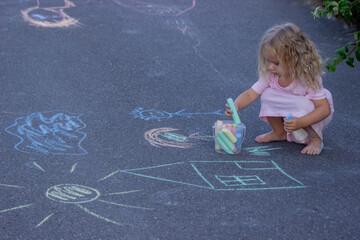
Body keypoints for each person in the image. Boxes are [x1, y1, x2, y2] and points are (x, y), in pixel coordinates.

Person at [225, 23, 334, 155]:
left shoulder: (308, 77)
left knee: (303, 104)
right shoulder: (271, 74)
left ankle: (316, 138)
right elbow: (250, 94)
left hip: (310, 113)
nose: (270, 67)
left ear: (294, 60)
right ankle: (279, 132)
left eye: (276, 63)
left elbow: (324, 109)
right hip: (291, 114)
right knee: (267, 94)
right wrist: (237, 105)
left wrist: (301, 122)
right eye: (268, 61)